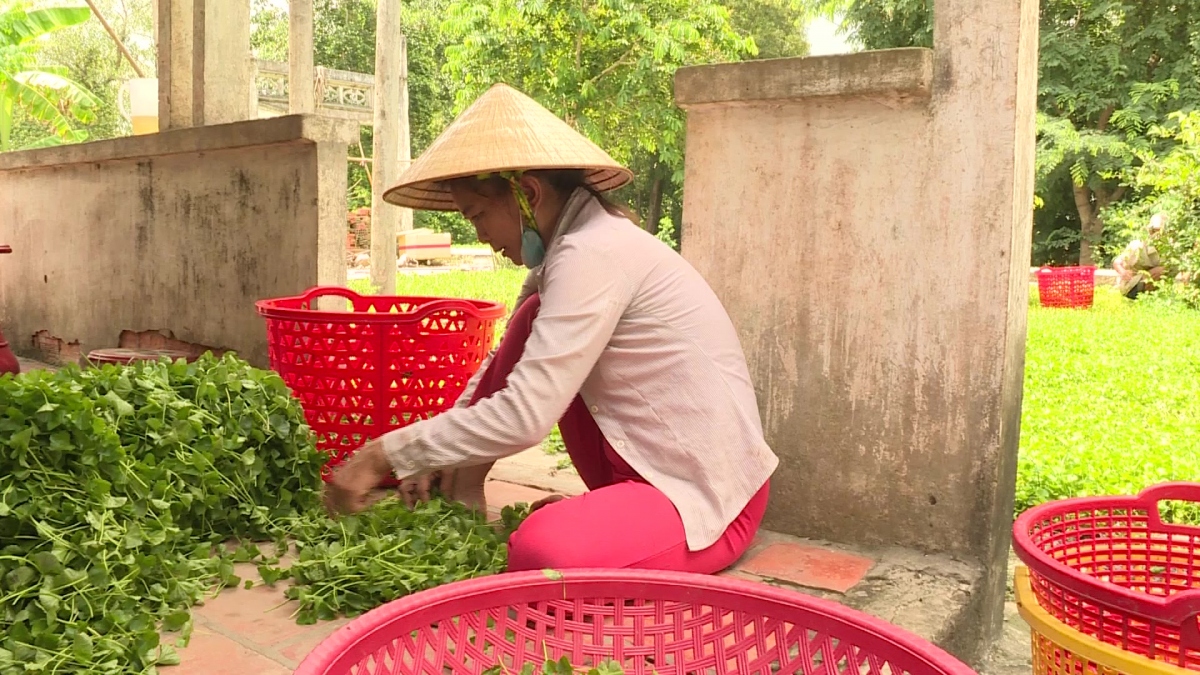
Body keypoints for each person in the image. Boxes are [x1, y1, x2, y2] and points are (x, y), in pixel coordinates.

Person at [322, 83, 778, 575]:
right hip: (643, 468)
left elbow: (525, 416)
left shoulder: (593, 252)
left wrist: (381, 455)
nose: (480, 236)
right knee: (529, 319)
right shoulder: (566, 257)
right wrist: (439, 459)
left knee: (542, 553)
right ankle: (466, 488)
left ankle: (607, 528)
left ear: (529, 194)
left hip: (705, 500)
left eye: (478, 215)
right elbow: (503, 368)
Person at [1112, 213, 1167, 300]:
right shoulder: (1138, 246)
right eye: (1153, 230)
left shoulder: (1171, 247)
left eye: (1159, 230)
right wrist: (1123, 273)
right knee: (1157, 272)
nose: (1156, 234)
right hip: (1133, 285)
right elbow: (1117, 262)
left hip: (1160, 284)